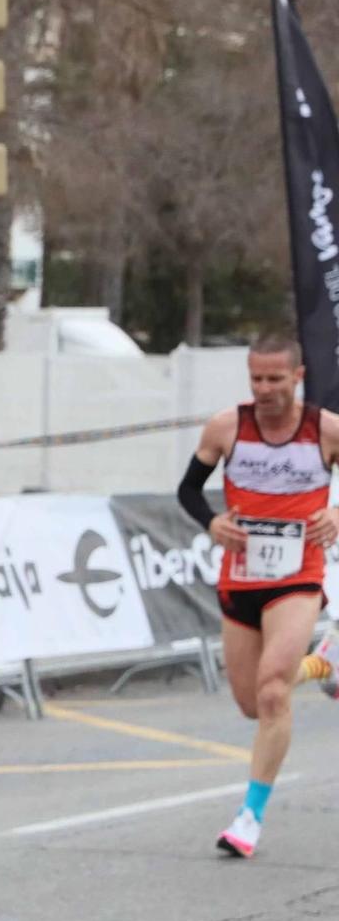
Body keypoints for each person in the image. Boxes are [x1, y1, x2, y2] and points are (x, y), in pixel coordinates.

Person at [178, 333, 339, 858]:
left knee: (273, 691)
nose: (265, 389)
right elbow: (186, 489)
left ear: (298, 377)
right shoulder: (227, 428)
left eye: (275, 378)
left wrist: (336, 513)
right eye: (256, 378)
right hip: (240, 578)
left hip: (298, 577)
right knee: (252, 703)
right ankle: (323, 665)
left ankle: (250, 816)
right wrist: (213, 522)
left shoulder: (326, 431)